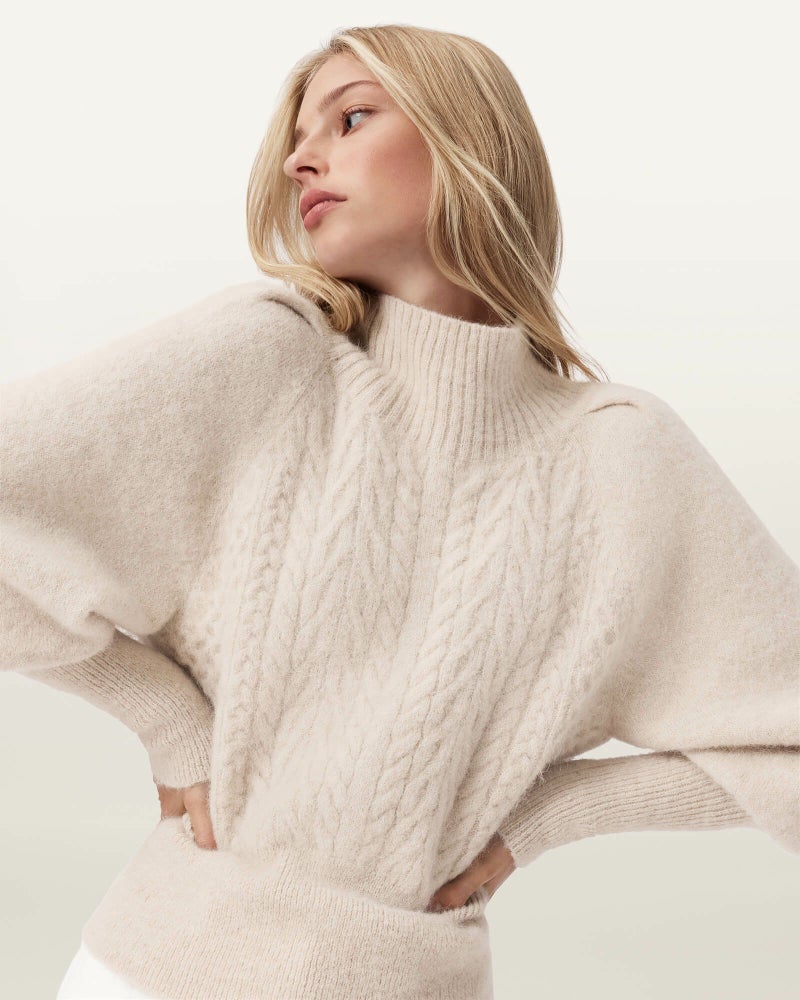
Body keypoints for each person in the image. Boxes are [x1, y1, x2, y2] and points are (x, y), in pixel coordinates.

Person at [3, 23, 798, 1000]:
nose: (300, 159)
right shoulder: (271, 358)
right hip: (158, 970)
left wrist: (546, 819)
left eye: (350, 118)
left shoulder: (617, 457)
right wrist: (162, 715)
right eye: (298, 137)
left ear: (468, 140)